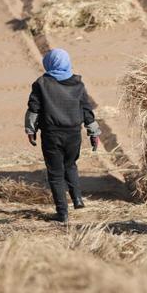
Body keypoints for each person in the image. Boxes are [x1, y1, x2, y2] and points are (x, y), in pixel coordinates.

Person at [25, 48, 101, 223]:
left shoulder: (41, 84)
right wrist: (94, 133)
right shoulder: (78, 85)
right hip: (74, 134)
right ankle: (77, 199)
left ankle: (62, 213)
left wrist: (30, 130)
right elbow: (87, 111)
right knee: (70, 165)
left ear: (48, 63)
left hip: (52, 135)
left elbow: (34, 109)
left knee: (55, 174)